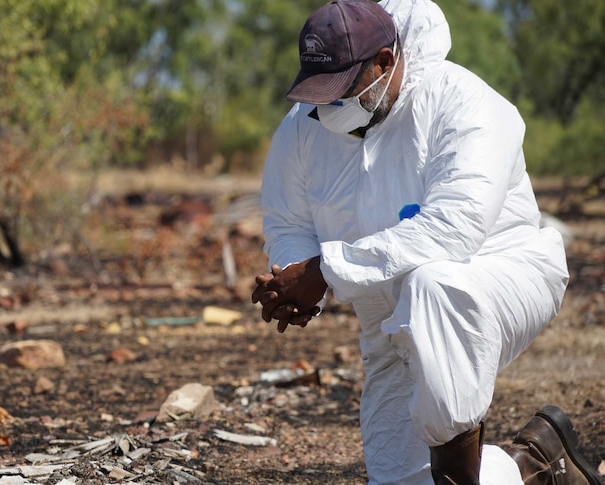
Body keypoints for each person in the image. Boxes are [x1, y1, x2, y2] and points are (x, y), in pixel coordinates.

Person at [250, 0, 603, 484]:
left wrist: (326, 272)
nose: (326, 108)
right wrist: (295, 281)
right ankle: (537, 464)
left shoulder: (463, 103)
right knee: (404, 480)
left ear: (384, 62)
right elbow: (289, 221)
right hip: (389, 319)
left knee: (432, 284)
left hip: (499, 278)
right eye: (319, 93)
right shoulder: (302, 129)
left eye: (341, 91)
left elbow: (454, 228)